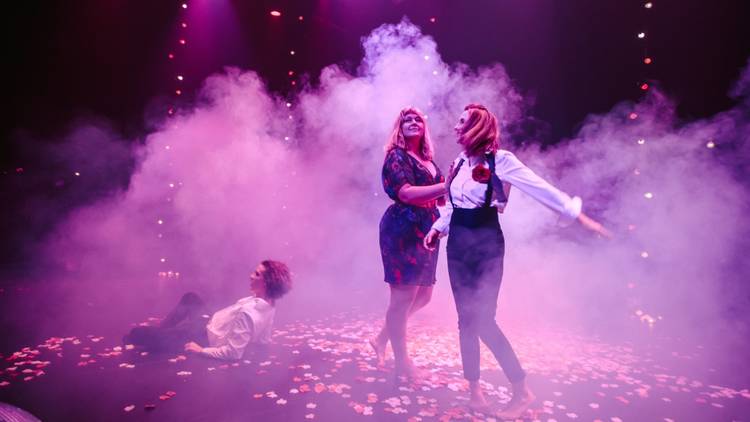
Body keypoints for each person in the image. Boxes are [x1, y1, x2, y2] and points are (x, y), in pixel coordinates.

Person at [424, 104, 610, 418]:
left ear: (476, 127)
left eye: (461, 122)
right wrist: (437, 228)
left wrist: (580, 218)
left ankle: (522, 390)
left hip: (485, 244)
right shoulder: (456, 163)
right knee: (465, 321)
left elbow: (541, 188)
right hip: (457, 245)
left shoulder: (501, 160)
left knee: (483, 320)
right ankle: (475, 392)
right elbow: (451, 205)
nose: (455, 127)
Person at [371, 107, 447, 379]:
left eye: (418, 119)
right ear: (399, 129)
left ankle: (382, 338)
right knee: (402, 298)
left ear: (425, 128)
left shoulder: (427, 160)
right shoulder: (396, 156)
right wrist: (445, 186)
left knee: (424, 296)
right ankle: (402, 363)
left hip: (428, 229)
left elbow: (439, 199)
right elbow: (406, 193)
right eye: (407, 120)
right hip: (402, 227)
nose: (413, 122)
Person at [123, 260, 292, 361]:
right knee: (190, 298)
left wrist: (200, 350)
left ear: (267, 283)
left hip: (200, 335)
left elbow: (233, 353)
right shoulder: (270, 304)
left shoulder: (248, 313)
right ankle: (164, 331)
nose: (250, 276)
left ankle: (159, 335)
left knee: (137, 333)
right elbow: (264, 338)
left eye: (256, 274)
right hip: (208, 322)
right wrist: (257, 345)